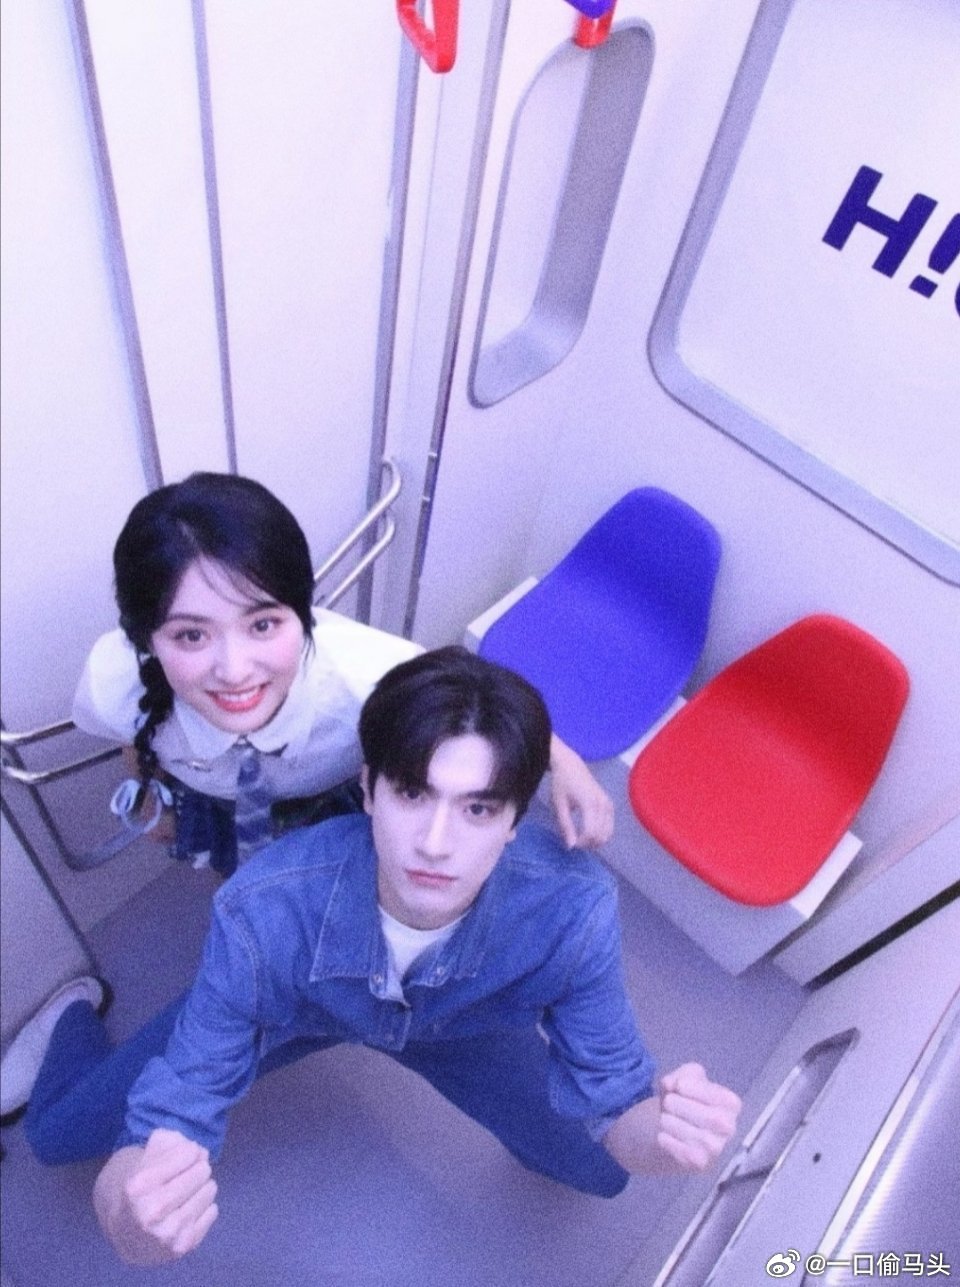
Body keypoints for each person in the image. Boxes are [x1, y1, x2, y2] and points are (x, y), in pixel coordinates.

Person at [3, 647, 741, 1267]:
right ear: (369, 789)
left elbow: (618, 1104)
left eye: (478, 808)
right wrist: (137, 1220)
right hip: (294, 1010)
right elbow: (173, 1112)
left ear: (515, 820)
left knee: (602, 1171)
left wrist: (665, 1133)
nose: (435, 844)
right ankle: (71, 1013)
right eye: (413, 794)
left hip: (461, 1028)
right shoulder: (266, 908)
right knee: (57, 1134)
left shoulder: (570, 909)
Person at [73, 471, 613, 875]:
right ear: (146, 641)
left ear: (302, 612)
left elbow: (470, 700)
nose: (234, 672)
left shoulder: (368, 675)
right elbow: (130, 731)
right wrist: (148, 793)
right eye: (192, 635)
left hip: (334, 806)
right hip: (214, 807)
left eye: (262, 625)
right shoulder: (112, 682)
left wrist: (563, 763)